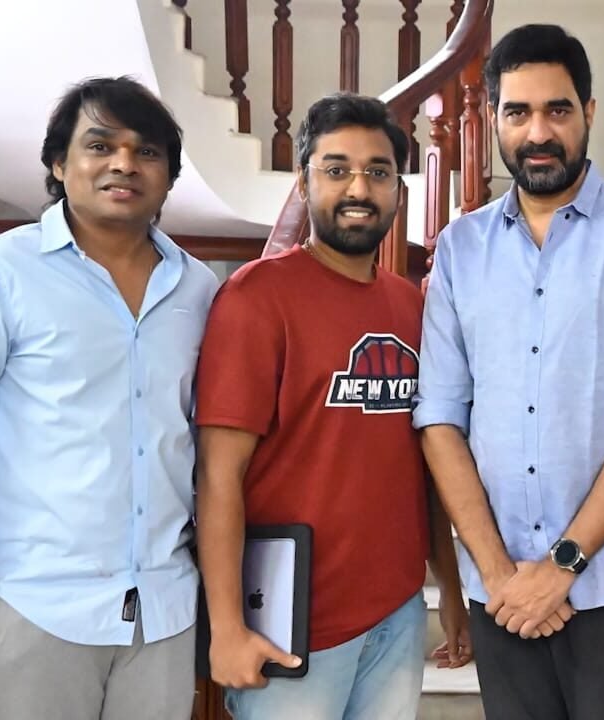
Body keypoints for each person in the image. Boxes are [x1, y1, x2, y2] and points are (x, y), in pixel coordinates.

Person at [414, 23, 604, 720]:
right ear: (494, 118)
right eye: (518, 112)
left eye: (557, 110)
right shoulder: (460, 248)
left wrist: (563, 565)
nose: (538, 132)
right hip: (498, 583)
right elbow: (440, 419)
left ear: (589, 112)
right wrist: (499, 573)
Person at [194, 93, 470, 720]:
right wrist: (226, 625)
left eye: (378, 171)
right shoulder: (256, 298)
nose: (359, 188)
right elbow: (218, 474)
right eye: (337, 169)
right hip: (290, 624)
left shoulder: (412, 307)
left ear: (398, 190)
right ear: (303, 182)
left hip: (397, 612)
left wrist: (449, 587)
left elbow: (427, 464)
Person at [0, 76, 218, 720]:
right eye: (100, 146)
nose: (125, 163)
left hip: (164, 607)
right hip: (36, 602)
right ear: (57, 163)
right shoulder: (9, 270)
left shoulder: (198, 288)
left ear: (169, 176)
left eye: (147, 151)